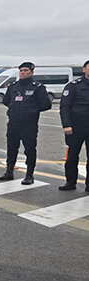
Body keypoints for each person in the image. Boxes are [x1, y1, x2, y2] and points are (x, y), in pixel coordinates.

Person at [0, 62, 51, 185]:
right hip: (13, 123)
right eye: (21, 70)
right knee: (11, 148)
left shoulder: (37, 87)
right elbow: (6, 101)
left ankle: (29, 175)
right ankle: (9, 171)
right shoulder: (13, 86)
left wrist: (31, 110)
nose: (23, 73)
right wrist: (14, 108)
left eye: (26, 70)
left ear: (32, 72)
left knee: (29, 150)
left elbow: (46, 104)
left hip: (29, 124)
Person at [59, 60, 89, 192]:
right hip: (76, 126)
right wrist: (67, 124)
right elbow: (65, 107)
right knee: (72, 156)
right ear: (84, 69)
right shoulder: (73, 86)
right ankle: (70, 182)